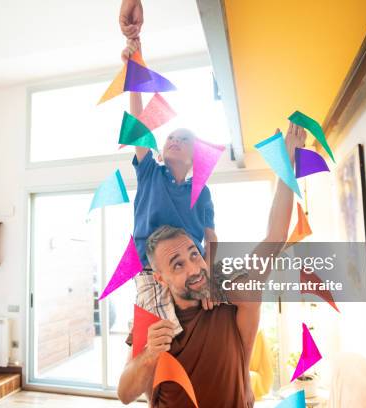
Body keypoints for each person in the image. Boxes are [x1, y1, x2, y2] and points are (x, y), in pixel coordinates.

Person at [117, 125, 308, 407]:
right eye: (177, 264)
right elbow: (124, 394)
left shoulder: (228, 295)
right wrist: (149, 354)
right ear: (159, 278)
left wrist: (288, 163)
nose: (193, 268)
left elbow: (276, 237)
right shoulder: (153, 321)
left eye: (194, 254)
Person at [121, 39, 219, 337]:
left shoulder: (201, 192)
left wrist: (211, 277)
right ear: (161, 152)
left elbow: (211, 237)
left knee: (203, 329)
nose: (175, 140)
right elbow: (138, 126)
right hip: (151, 272)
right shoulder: (151, 172)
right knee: (156, 340)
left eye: (184, 139)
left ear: (195, 158)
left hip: (192, 272)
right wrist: (133, 69)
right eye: (171, 137)